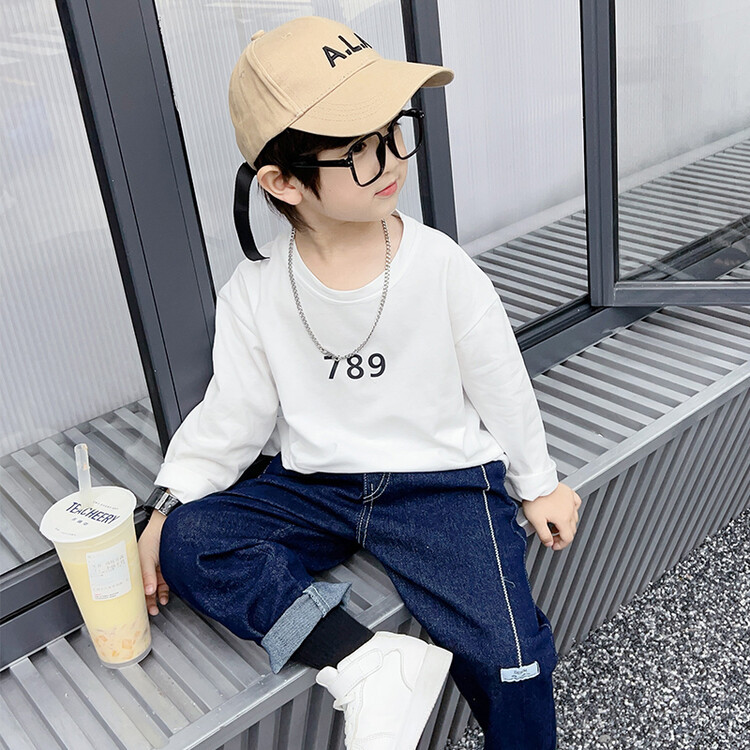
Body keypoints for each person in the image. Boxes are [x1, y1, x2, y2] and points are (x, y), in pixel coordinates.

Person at [137, 15, 581, 750]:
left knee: (513, 657)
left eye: (393, 133)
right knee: (192, 543)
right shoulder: (255, 291)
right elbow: (233, 415)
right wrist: (168, 502)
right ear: (283, 182)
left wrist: (537, 483)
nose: (392, 160)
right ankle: (365, 662)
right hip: (316, 484)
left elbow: (499, 378)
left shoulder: (439, 265)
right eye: (360, 151)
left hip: (441, 481)